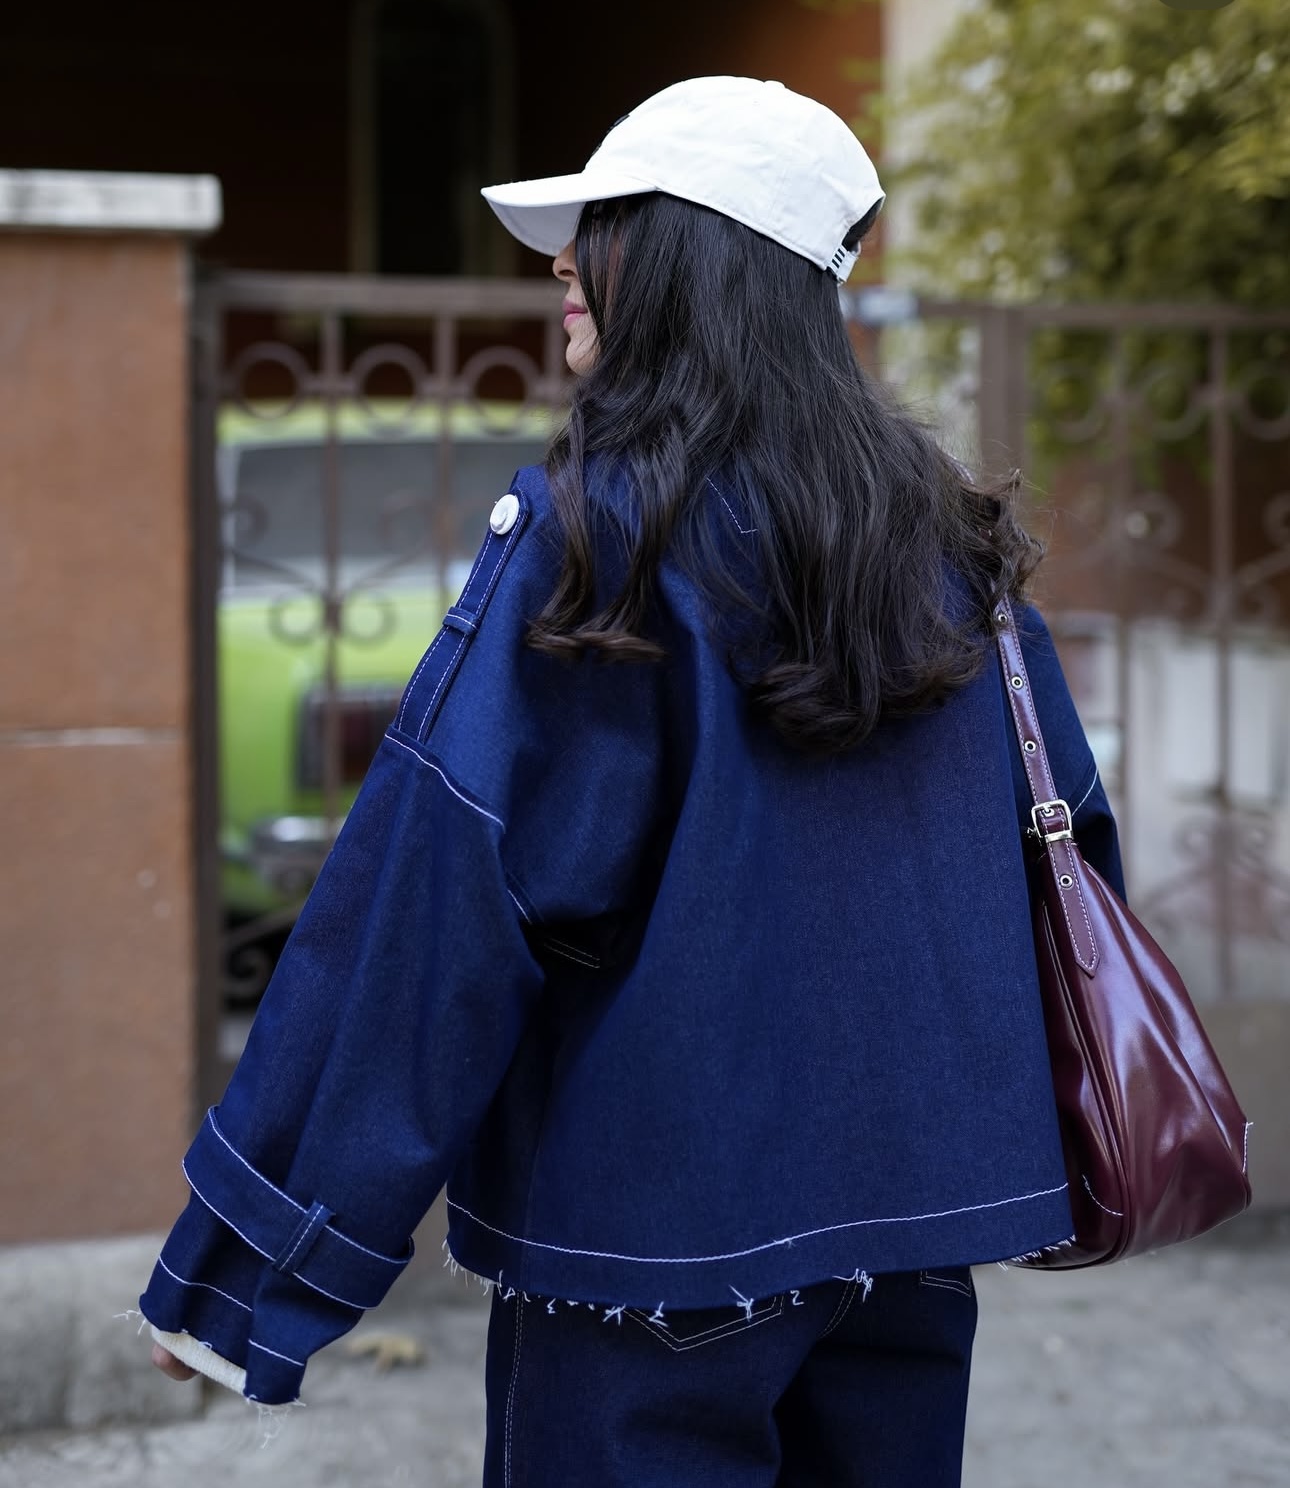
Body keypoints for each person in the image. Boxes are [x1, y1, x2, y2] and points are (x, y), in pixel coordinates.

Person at [144, 75, 1122, 1486]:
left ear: (684, 262)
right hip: (910, 1240)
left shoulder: (599, 532)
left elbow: (435, 903)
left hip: (650, 1241)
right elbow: (1061, 848)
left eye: (598, 227)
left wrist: (255, 1262)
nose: (562, 263)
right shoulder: (950, 544)